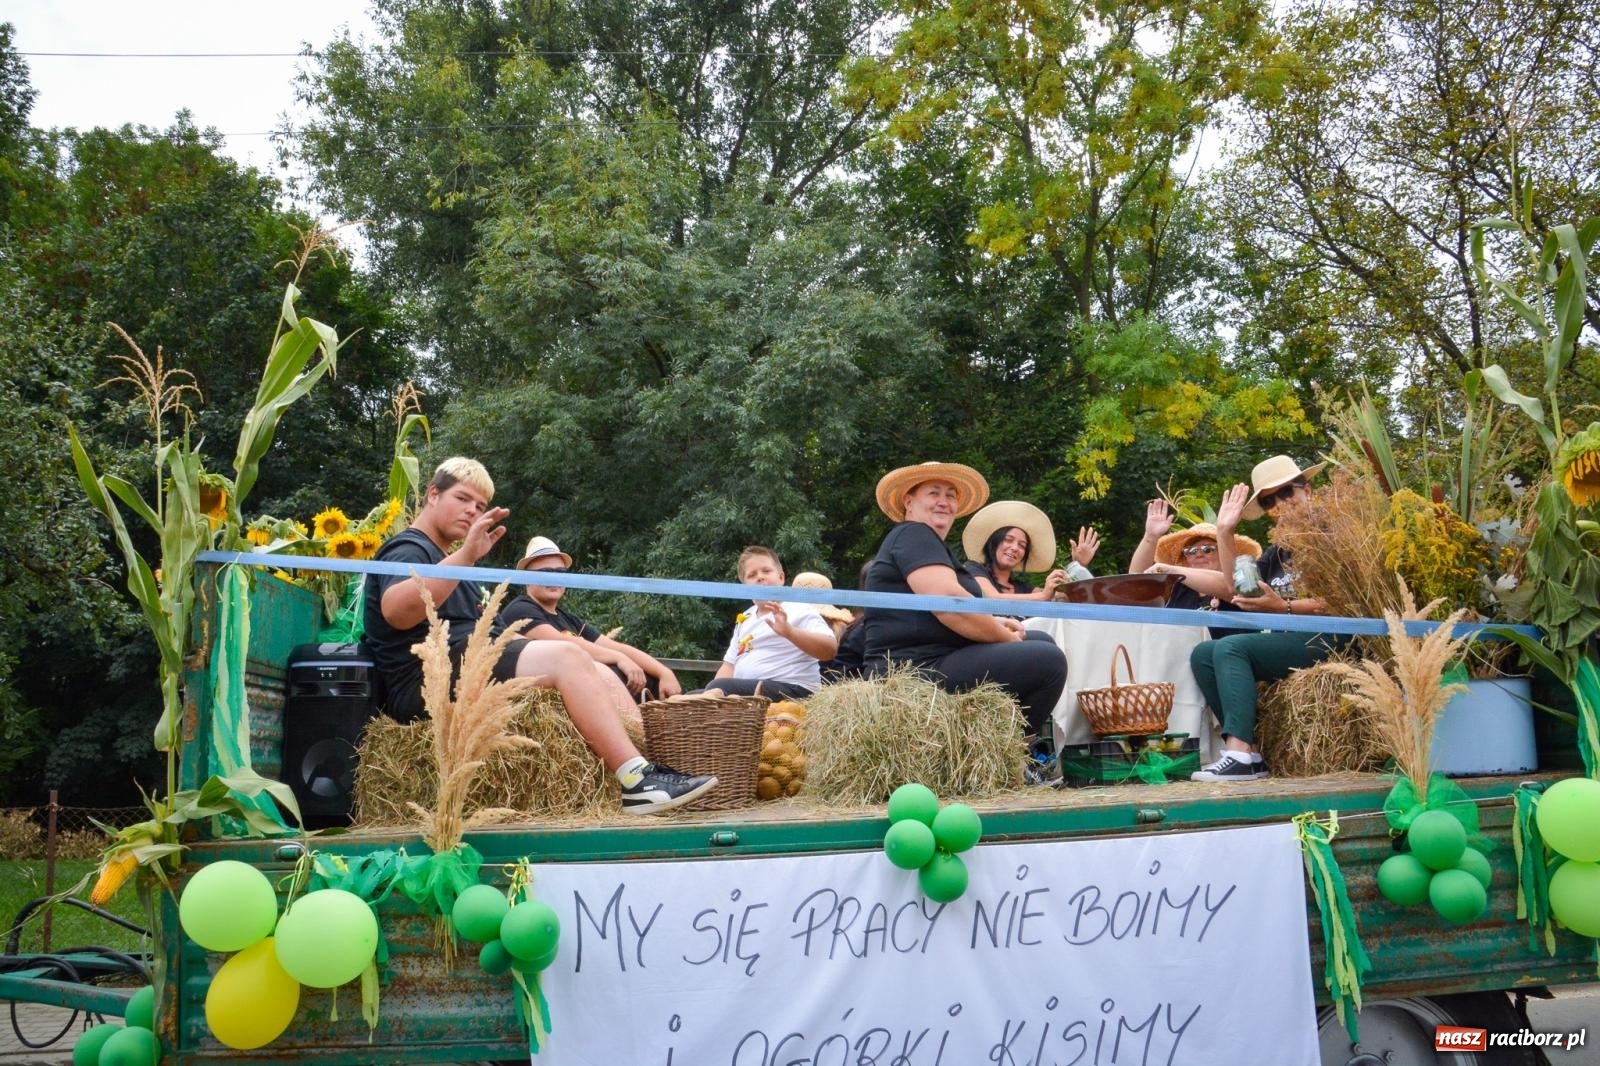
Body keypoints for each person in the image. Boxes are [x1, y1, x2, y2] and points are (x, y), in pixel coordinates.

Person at [361, 458, 715, 814]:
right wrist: (467, 555)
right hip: (427, 684)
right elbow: (398, 611)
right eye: (463, 498)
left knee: (601, 671)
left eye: (480, 506)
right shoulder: (409, 548)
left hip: (470, 663)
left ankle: (648, 769)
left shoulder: (451, 561)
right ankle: (637, 783)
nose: (472, 511)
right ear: (433, 495)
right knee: (567, 657)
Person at [863, 462, 1067, 757]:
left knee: (1041, 641)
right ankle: (1013, 758)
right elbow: (949, 605)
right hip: (910, 669)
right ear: (909, 501)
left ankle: (996, 754)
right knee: (1049, 660)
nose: (944, 502)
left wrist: (997, 622)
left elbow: (949, 604)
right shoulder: (913, 534)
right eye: (934, 493)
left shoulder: (927, 544)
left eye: (951, 495)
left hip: (934, 657)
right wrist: (1002, 635)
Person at [1186, 456, 1341, 783]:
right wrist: (1225, 533)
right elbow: (1235, 589)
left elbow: (1342, 602)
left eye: (1286, 493)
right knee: (1204, 655)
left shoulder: (1333, 535)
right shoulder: (1277, 552)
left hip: (1329, 638)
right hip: (1290, 640)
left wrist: (1282, 606)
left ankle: (1238, 752)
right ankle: (1250, 753)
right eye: (1269, 500)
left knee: (1231, 648)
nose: (1279, 504)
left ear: (1307, 490)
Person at [501, 536, 683, 700]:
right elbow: (565, 645)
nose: (553, 578)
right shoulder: (520, 610)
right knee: (617, 674)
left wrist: (664, 672)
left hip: (586, 693)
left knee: (651, 680)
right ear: (526, 577)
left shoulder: (568, 618)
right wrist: (620, 659)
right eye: (546, 572)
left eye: (560, 573)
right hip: (564, 697)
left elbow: (615, 646)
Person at [708, 547, 840, 700]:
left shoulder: (798, 607)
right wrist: (709, 694)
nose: (760, 577)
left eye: (766, 571)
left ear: (781, 577)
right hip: (746, 693)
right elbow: (729, 666)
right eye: (752, 575)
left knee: (719, 688)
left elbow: (830, 649)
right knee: (696, 695)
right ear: (744, 587)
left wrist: (789, 632)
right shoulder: (746, 617)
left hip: (793, 690)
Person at [960, 500, 1100, 601]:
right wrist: (1043, 595)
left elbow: (1061, 598)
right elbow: (992, 598)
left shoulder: (1025, 589)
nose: (1015, 548)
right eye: (1008, 540)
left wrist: (1077, 566)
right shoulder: (973, 569)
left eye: (1022, 545)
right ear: (994, 543)